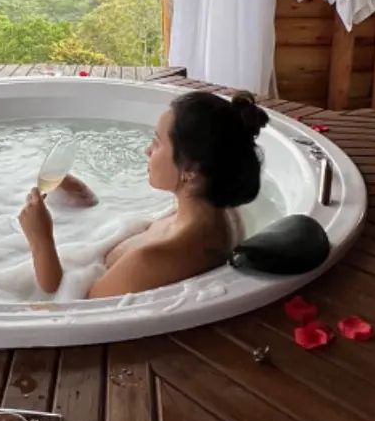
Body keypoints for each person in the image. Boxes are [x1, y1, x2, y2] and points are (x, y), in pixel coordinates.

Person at [18, 91, 267, 298]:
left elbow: (73, 306)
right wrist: (82, 198)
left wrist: (41, 240)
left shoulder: (152, 260)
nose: (147, 150)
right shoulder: (218, 210)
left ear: (191, 169)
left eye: (157, 142)